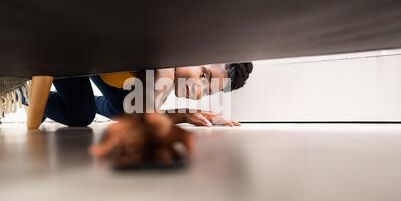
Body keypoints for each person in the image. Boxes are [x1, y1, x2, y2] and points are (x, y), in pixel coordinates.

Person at [26, 62, 253, 129]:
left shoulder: (162, 83)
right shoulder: (164, 70)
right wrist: (183, 115)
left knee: (125, 109)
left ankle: (39, 99)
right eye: (203, 75)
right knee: (80, 117)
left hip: (93, 67)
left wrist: (185, 114)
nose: (198, 90)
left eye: (207, 91)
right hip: (68, 53)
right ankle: (26, 95)